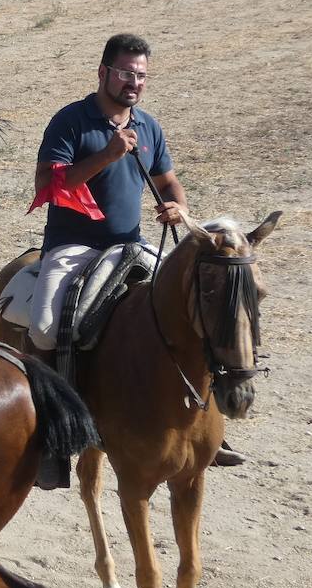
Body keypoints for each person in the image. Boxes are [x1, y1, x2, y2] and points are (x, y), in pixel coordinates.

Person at [26, 34, 193, 483]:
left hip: (130, 242)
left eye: (141, 75)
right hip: (73, 245)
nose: (134, 82)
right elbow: (50, 186)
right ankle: (51, 432)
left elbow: (168, 181)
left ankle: (199, 420)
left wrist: (178, 206)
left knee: (193, 304)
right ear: (103, 73)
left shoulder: (149, 127)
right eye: (125, 73)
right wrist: (107, 154)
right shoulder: (70, 121)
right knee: (43, 328)